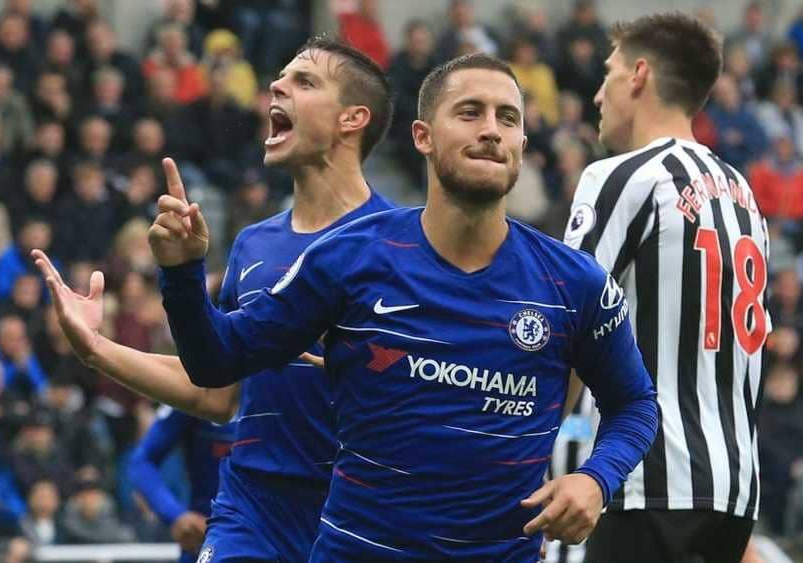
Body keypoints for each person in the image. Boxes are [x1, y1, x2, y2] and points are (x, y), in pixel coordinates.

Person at [150, 53, 658, 561]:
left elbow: (635, 404)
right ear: (423, 136)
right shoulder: (349, 258)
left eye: (507, 118)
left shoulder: (574, 283)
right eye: (469, 112)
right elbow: (216, 361)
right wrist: (182, 272)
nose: (490, 130)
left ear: (522, 145)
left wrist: (596, 479)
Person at [34, 37, 394, 562]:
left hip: (359, 515)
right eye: (281, 77)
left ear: (352, 118)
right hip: (252, 512)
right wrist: (94, 347)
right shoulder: (253, 245)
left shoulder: (399, 246)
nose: (277, 86)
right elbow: (217, 393)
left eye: (304, 81)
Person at [562, 13, 770, 562]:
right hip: (733, 489)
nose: (598, 95)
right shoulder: (744, 196)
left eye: (608, 73)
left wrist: (514, 456)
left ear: (638, 74)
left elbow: (568, 328)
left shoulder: (621, 176)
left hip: (645, 478)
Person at [127, 406, 234, 562]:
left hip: (267, 533)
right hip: (205, 536)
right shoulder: (199, 395)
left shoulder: (268, 397)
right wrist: (175, 514)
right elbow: (142, 461)